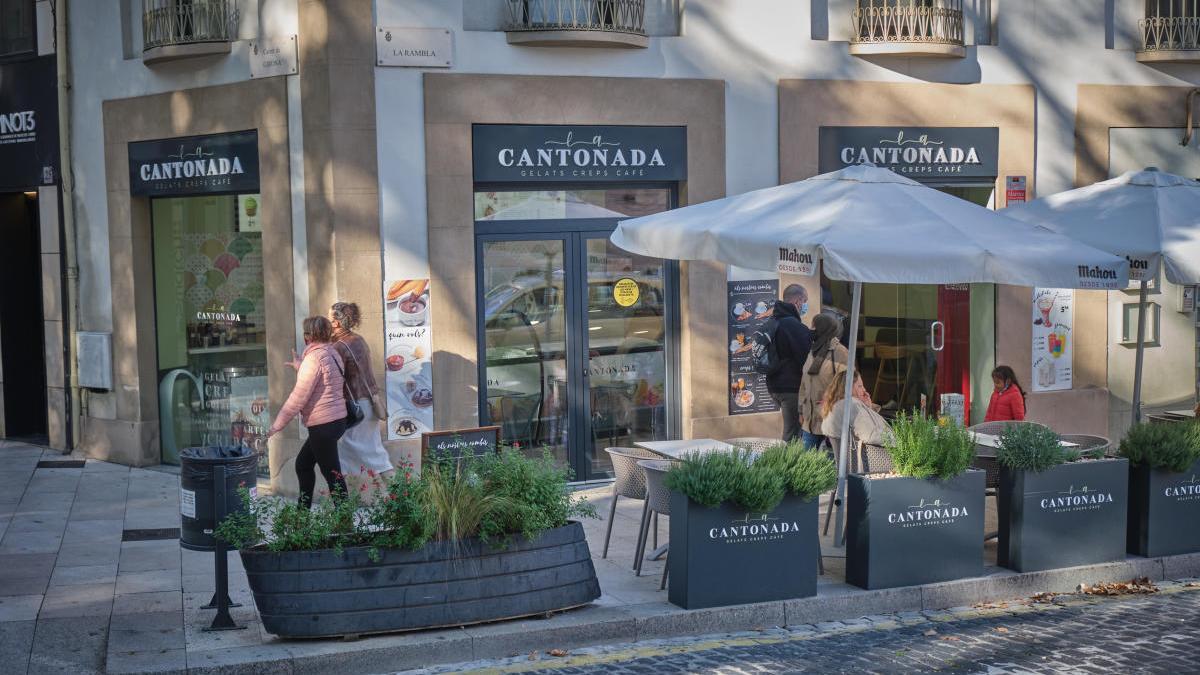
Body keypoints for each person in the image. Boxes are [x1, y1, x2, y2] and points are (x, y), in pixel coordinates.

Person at [267, 316, 349, 508]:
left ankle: (346, 522)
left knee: (332, 474)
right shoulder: (332, 353)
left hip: (323, 424)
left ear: (309, 336)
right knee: (303, 464)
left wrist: (276, 426)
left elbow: (298, 398)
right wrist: (300, 368)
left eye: (305, 333)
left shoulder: (313, 359)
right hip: (337, 420)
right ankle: (302, 516)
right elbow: (323, 384)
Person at [329, 301, 394, 482]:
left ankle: (405, 500)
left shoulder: (339, 346)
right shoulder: (358, 340)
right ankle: (343, 505)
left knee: (376, 459)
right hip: (369, 403)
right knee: (342, 461)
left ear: (336, 322)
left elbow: (331, 378)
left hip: (354, 407)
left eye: (329, 318)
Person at [765, 284, 813, 443]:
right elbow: (806, 358)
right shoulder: (793, 325)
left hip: (774, 384)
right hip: (790, 387)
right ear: (798, 301)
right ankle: (788, 466)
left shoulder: (774, 320)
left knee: (792, 430)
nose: (805, 305)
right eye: (805, 301)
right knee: (792, 432)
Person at [798, 313, 849, 450]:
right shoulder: (812, 351)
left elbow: (847, 383)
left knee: (834, 463)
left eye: (814, 327)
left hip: (830, 418)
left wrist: (832, 400)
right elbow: (804, 382)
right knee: (805, 463)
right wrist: (801, 411)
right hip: (810, 420)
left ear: (823, 328)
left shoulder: (839, 352)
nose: (811, 330)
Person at [820, 370, 891, 447]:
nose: (864, 390)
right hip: (868, 456)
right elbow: (871, 435)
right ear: (849, 387)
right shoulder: (852, 405)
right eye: (860, 386)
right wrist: (897, 439)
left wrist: (868, 407)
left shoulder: (835, 404)